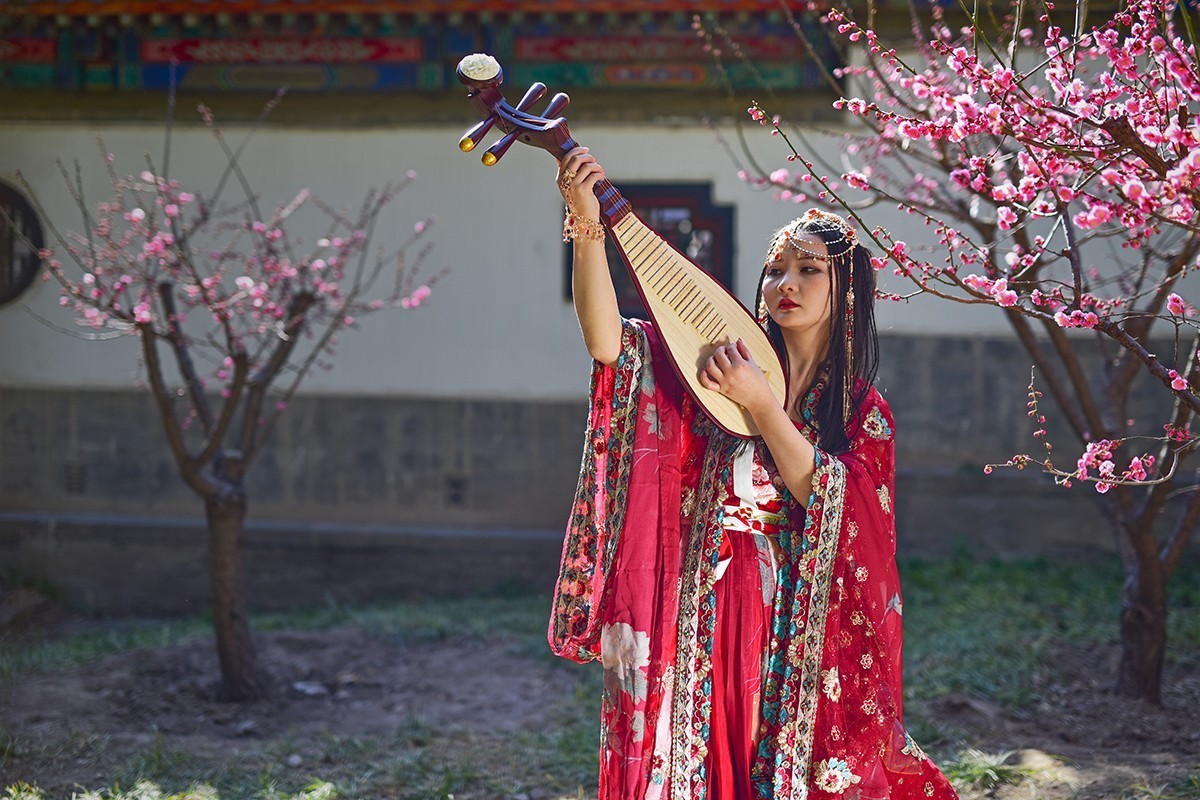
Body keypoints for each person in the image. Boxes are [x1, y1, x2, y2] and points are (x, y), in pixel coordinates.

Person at [548, 146, 958, 800]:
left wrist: (761, 402)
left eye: (807, 270)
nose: (785, 284)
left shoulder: (861, 412)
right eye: (773, 271)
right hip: (696, 602)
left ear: (845, 289)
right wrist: (587, 223)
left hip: (791, 616)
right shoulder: (709, 365)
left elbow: (832, 498)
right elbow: (608, 345)